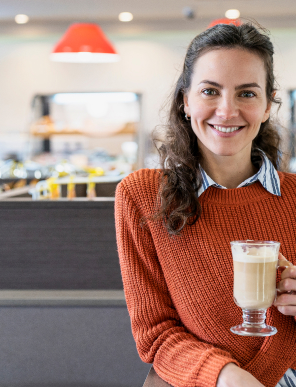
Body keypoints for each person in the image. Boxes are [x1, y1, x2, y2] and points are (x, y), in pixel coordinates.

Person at [115, 23, 296, 387]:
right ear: (185, 101)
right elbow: (156, 333)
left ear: (267, 106)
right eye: (210, 91)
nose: (227, 111)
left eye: (246, 93)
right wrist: (226, 377)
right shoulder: (141, 196)